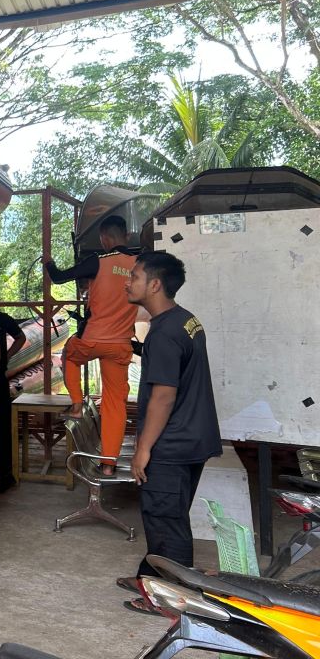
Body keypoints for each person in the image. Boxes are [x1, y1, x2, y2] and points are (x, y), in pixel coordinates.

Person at [117, 250, 221, 605]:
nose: (127, 281)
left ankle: (172, 602)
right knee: (167, 515)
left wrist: (143, 449)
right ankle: (150, 579)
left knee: (165, 521)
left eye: (134, 276)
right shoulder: (185, 320)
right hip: (193, 438)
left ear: (155, 284)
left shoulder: (163, 333)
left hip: (171, 444)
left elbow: (163, 396)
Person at [45, 215, 138, 473]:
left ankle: (76, 404)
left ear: (104, 239)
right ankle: (108, 464)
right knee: (114, 403)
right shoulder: (140, 264)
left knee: (70, 355)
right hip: (120, 344)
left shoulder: (98, 261)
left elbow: (60, 278)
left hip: (93, 339)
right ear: (127, 236)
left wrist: (49, 263)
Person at [0, 282, 26, 493]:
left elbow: (21, 337)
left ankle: (4, 475)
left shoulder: (1, 320)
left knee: (1, 428)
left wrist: (8, 356)